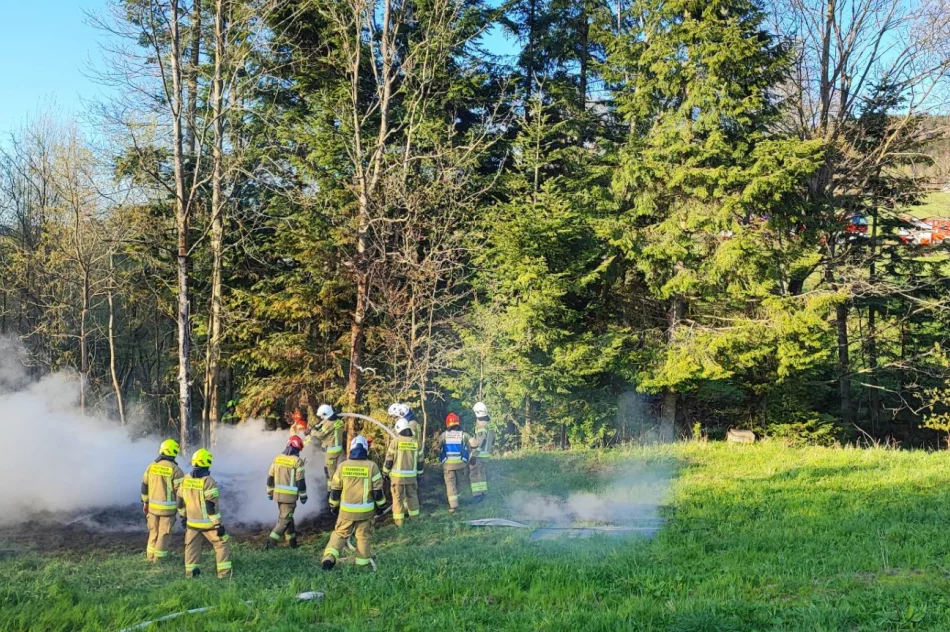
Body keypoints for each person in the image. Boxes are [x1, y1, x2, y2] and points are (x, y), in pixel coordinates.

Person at [321, 436, 387, 570]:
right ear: (365, 450)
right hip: (365, 513)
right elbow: (378, 492)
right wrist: (381, 506)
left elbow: (335, 490)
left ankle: (329, 557)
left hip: (346, 512)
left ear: (351, 449)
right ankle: (362, 566)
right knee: (363, 537)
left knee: (339, 534)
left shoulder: (343, 466)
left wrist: (333, 505)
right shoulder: (372, 466)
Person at [177, 449, 232, 579]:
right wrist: (218, 525)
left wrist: (183, 517)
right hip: (208, 524)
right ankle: (223, 575)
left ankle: (191, 574)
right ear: (207, 462)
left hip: (191, 523)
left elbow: (180, 501)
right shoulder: (208, 481)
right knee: (222, 544)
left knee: (191, 548)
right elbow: (210, 506)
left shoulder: (185, 479)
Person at [140, 439, 185, 562]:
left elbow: (144, 485)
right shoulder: (176, 470)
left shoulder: (151, 466)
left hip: (153, 509)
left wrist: (145, 502)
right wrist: (183, 511)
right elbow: (180, 493)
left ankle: (149, 557)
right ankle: (159, 561)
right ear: (174, 452)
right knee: (164, 534)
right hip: (168, 511)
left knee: (153, 532)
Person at [265, 435, 308, 549]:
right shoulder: (297, 461)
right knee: (284, 520)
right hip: (289, 497)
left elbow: (270, 478)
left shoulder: (277, 458)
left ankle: (292, 543)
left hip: (278, 496)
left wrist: (269, 493)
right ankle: (270, 543)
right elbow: (300, 481)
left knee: (288, 517)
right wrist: (303, 496)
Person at [383, 417, 423, 526]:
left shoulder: (395, 442)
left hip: (397, 478)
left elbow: (389, 460)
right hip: (411, 477)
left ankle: (399, 523)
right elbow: (420, 461)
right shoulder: (416, 443)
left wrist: (385, 472)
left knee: (397, 499)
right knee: (412, 497)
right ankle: (415, 520)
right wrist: (419, 474)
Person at [437, 413, 478, 513]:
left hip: (448, 466)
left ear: (447, 424)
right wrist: (472, 454)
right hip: (461, 464)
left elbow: (437, 447)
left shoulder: (444, 435)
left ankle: (454, 506)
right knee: (460, 483)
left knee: (450, 485)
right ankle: (461, 499)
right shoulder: (464, 435)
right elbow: (475, 443)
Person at [309, 404, 346, 501]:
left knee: (330, 473)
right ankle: (331, 490)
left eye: (322, 416)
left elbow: (320, 435)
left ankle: (333, 493)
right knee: (329, 470)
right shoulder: (337, 420)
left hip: (332, 450)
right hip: (336, 448)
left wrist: (313, 432)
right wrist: (318, 425)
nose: (321, 418)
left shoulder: (329, 423)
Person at [469, 402, 495, 503]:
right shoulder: (490, 423)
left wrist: (474, 453)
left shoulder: (481, 425)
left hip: (480, 454)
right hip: (486, 453)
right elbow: (493, 439)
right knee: (482, 473)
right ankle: (484, 492)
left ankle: (477, 496)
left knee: (474, 474)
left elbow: (481, 440)